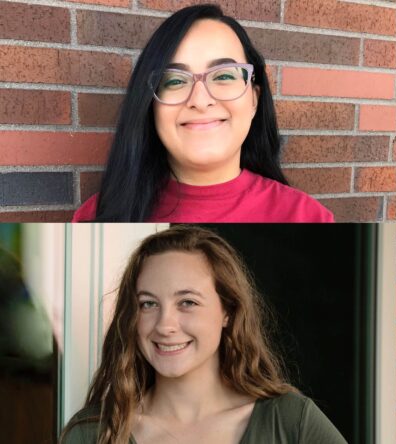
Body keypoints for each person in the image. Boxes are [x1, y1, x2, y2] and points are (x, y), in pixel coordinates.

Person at [60, 226, 346, 443]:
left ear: (228, 311)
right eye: (148, 304)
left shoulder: (290, 421)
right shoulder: (91, 433)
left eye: (187, 302)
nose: (164, 324)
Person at [72, 5, 333, 222]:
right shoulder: (97, 216)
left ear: (254, 99)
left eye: (224, 76)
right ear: (150, 104)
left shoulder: (307, 216)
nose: (200, 100)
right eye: (174, 80)